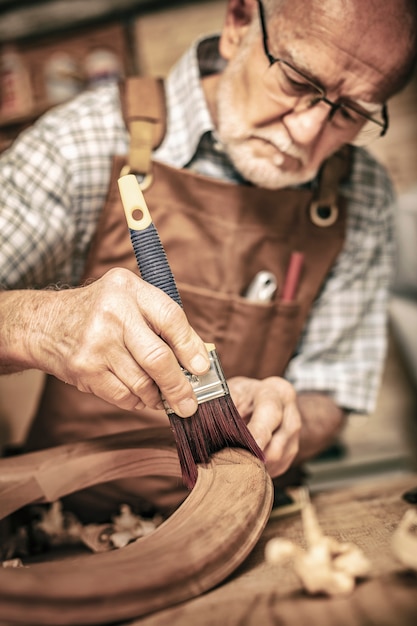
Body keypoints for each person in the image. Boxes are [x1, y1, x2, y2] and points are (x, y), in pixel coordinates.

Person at [0, 0, 416, 517]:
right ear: (239, 24)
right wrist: (37, 325)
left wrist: (292, 419)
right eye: (296, 81)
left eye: (351, 112)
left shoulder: (363, 193)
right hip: (67, 522)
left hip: (247, 518)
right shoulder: (80, 143)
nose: (307, 133)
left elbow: (333, 386)